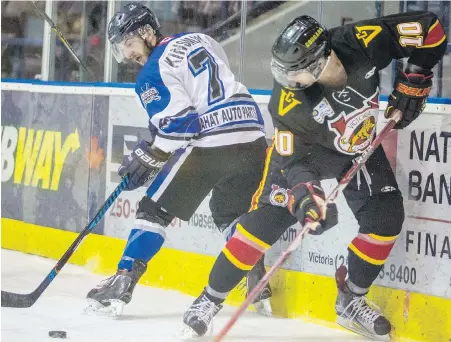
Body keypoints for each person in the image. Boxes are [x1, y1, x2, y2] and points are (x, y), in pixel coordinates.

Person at [181, 12, 447, 340]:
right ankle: (209, 299)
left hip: (358, 144)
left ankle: (351, 298)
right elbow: (292, 163)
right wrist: (307, 195)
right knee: (266, 222)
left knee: (386, 217)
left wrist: (417, 75)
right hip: (305, 158)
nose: (288, 81)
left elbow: (431, 29)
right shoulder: (286, 103)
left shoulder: (361, 41)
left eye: (296, 72)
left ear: (322, 59)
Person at [85, 2, 273, 317]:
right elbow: (203, 90)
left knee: (153, 210)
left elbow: (183, 123)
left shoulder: (149, 73)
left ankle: (123, 281)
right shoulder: (201, 39)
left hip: (214, 141)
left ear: (146, 32)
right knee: (229, 211)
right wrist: (155, 141)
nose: (128, 54)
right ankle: (256, 277)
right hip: (253, 134)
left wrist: (149, 156)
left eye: (128, 43)